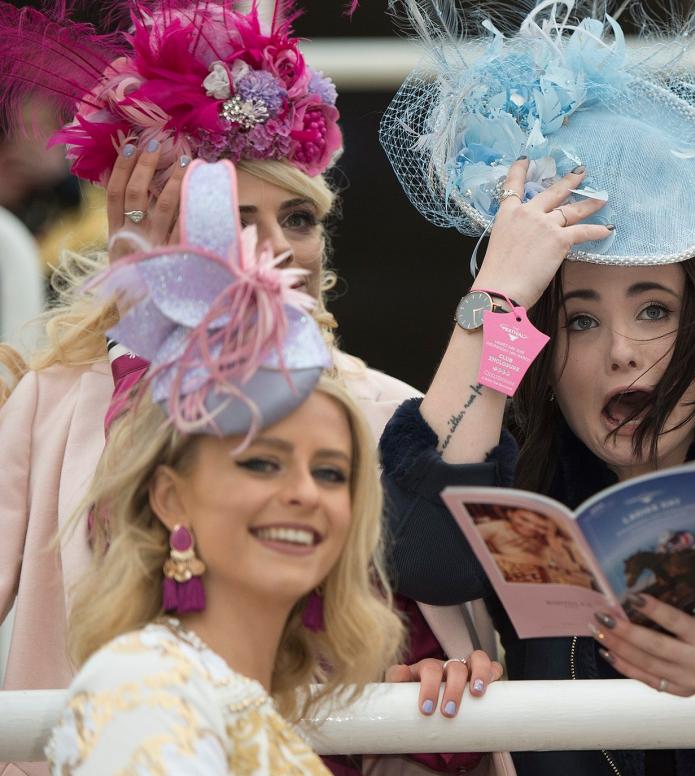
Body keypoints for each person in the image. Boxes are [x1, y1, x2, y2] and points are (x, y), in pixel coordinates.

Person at [377, 3, 695, 774]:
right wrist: (495, 303)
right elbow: (425, 558)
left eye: (654, 309)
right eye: (580, 322)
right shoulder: (518, 460)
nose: (622, 352)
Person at [0, 4, 506, 775]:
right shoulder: (51, 402)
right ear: (160, 229)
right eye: (232, 217)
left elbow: (420, 687)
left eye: (297, 217)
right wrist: (145, 335)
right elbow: (125, 573)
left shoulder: (378, 411)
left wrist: (434, 696)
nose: (275, 250)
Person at [40, 158, 441, 773]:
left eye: (333, 473)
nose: (306, 493)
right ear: (168, 496)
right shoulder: (144, 689)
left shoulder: (232, 705)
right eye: (261, 463)